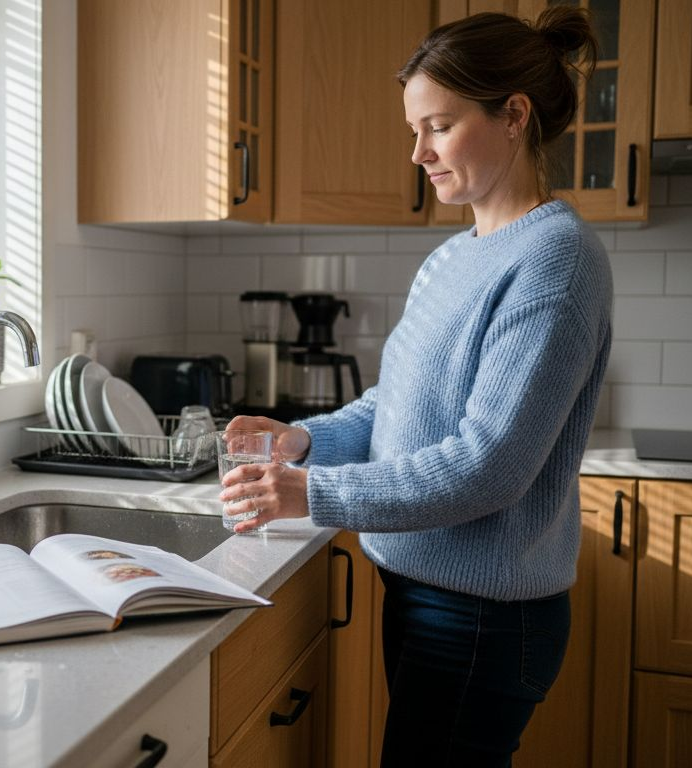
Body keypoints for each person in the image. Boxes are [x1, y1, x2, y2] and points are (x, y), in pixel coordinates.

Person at [220, 7, 611, 766]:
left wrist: (312, 494)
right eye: (415, 130)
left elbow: (486, 466)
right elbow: (392, 407)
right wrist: (303, 440)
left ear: (513, 116)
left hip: (483, 619)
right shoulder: (455, 254)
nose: (418, 153)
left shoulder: (555, 261)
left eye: (436, 126)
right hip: (426, 597)